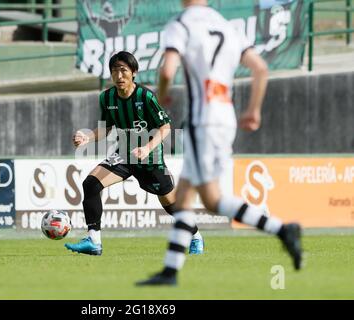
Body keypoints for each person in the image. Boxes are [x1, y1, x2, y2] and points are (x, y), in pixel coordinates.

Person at [137, 0, 302, 286]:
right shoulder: (228, 26)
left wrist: (162, 94)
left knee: (213, 200)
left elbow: (166, 71)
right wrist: (253, 109)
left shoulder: (182, 24)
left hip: (203, 120)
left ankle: (283, 229)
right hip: (225, 117)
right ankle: (170, 271)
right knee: (185, 196)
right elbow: (260, 69)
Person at [65, 51, 204, 256]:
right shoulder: (107, 97)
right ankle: (94, 240)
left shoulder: (145, 97)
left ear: (134, 73)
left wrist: (147, 148)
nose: (119, 76)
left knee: (170, 205)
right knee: (91, 184)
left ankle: (195, 236)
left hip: (151, 160)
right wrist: (88, 138)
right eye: (114, 71)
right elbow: (107, 127)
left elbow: (165, 126)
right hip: (124, 155)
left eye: (123, 71)